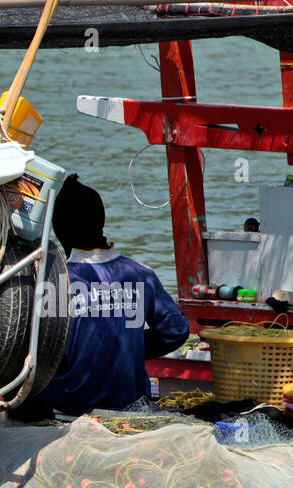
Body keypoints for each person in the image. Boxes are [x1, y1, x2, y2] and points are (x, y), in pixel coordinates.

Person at [32, 175, 190, 417]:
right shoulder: (141, 275)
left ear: (60, 230)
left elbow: (39, 351)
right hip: (131, 409)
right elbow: (176, 331)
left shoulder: (50, 282)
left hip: (67, 410)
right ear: (100, 222)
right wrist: (129, 347)